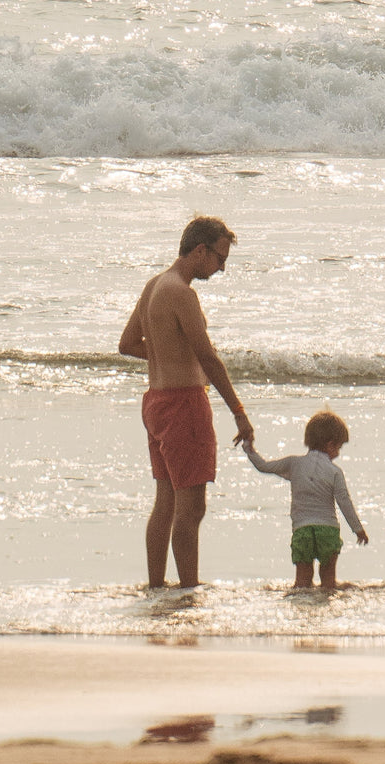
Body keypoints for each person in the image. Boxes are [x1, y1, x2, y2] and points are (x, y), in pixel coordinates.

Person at [118, 215, 254, 589]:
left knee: (165, 502)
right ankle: (189, 589)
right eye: (220, 258)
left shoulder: (153, 287)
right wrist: (240, 413)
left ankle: (157, 588)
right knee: (191, 509)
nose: (222, 267)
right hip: (183, 406)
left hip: (155, 404)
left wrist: (167, 355)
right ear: (199, 250)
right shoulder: (182, 293)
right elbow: (209, 358)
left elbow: (127, 344)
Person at [243, 410, 369, 589]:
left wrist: (249, 447)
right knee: (328, 582)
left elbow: (263, 466)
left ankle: (301, 609)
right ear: (330, 444)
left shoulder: (294, 464)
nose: (338, 453)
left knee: (302, 582)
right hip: (328, 531)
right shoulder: (335, 472)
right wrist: (358, 529)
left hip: (302, 531)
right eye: (339, 448)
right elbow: (344, 503)